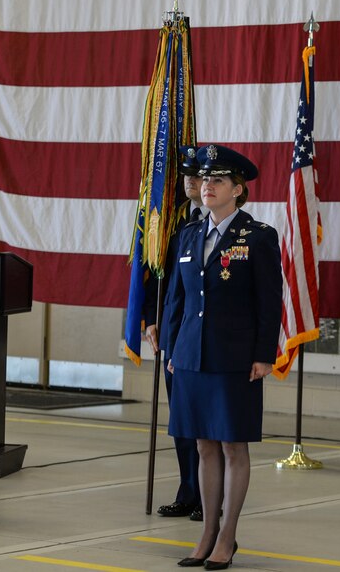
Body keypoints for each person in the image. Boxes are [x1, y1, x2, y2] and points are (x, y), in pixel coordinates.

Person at [164, 144, 282, 570]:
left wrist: (264, 355)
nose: (206, 186)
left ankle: (228, 536)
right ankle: (207, 532)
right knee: (203, 445)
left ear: (238, 190)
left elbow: (270, 302)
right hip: (191, 356)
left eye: (217, 180)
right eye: (204, 179)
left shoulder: (260, 236)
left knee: (233, 446)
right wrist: (172, 349)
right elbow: (176, 301)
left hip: (235, 358)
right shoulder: (189, 235)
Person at [144, 146, 207, 521]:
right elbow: (162, 272)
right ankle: (187, 489)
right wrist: (153, 318)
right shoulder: (177, 220)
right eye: (187, 177)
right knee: (181, 421)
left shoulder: (219, 224)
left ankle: (206, 493)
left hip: (202, 337)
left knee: (202, 423)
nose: (190, 183)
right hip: (175, 334)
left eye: (197, 177)